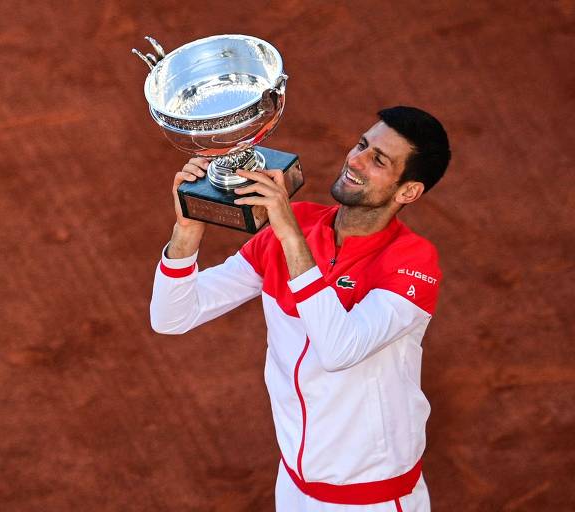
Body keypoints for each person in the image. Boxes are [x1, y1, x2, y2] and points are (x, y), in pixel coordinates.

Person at [150, 106, 451, 511]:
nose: (355, 160)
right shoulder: (298, 225)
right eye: (362, 145)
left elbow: (338, 349)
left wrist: (289, 232)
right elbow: (172, 317)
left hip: (373, 501)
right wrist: (187, 227)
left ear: (408, 191)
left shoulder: (411, 261)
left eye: (378, 160)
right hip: (293, 488)